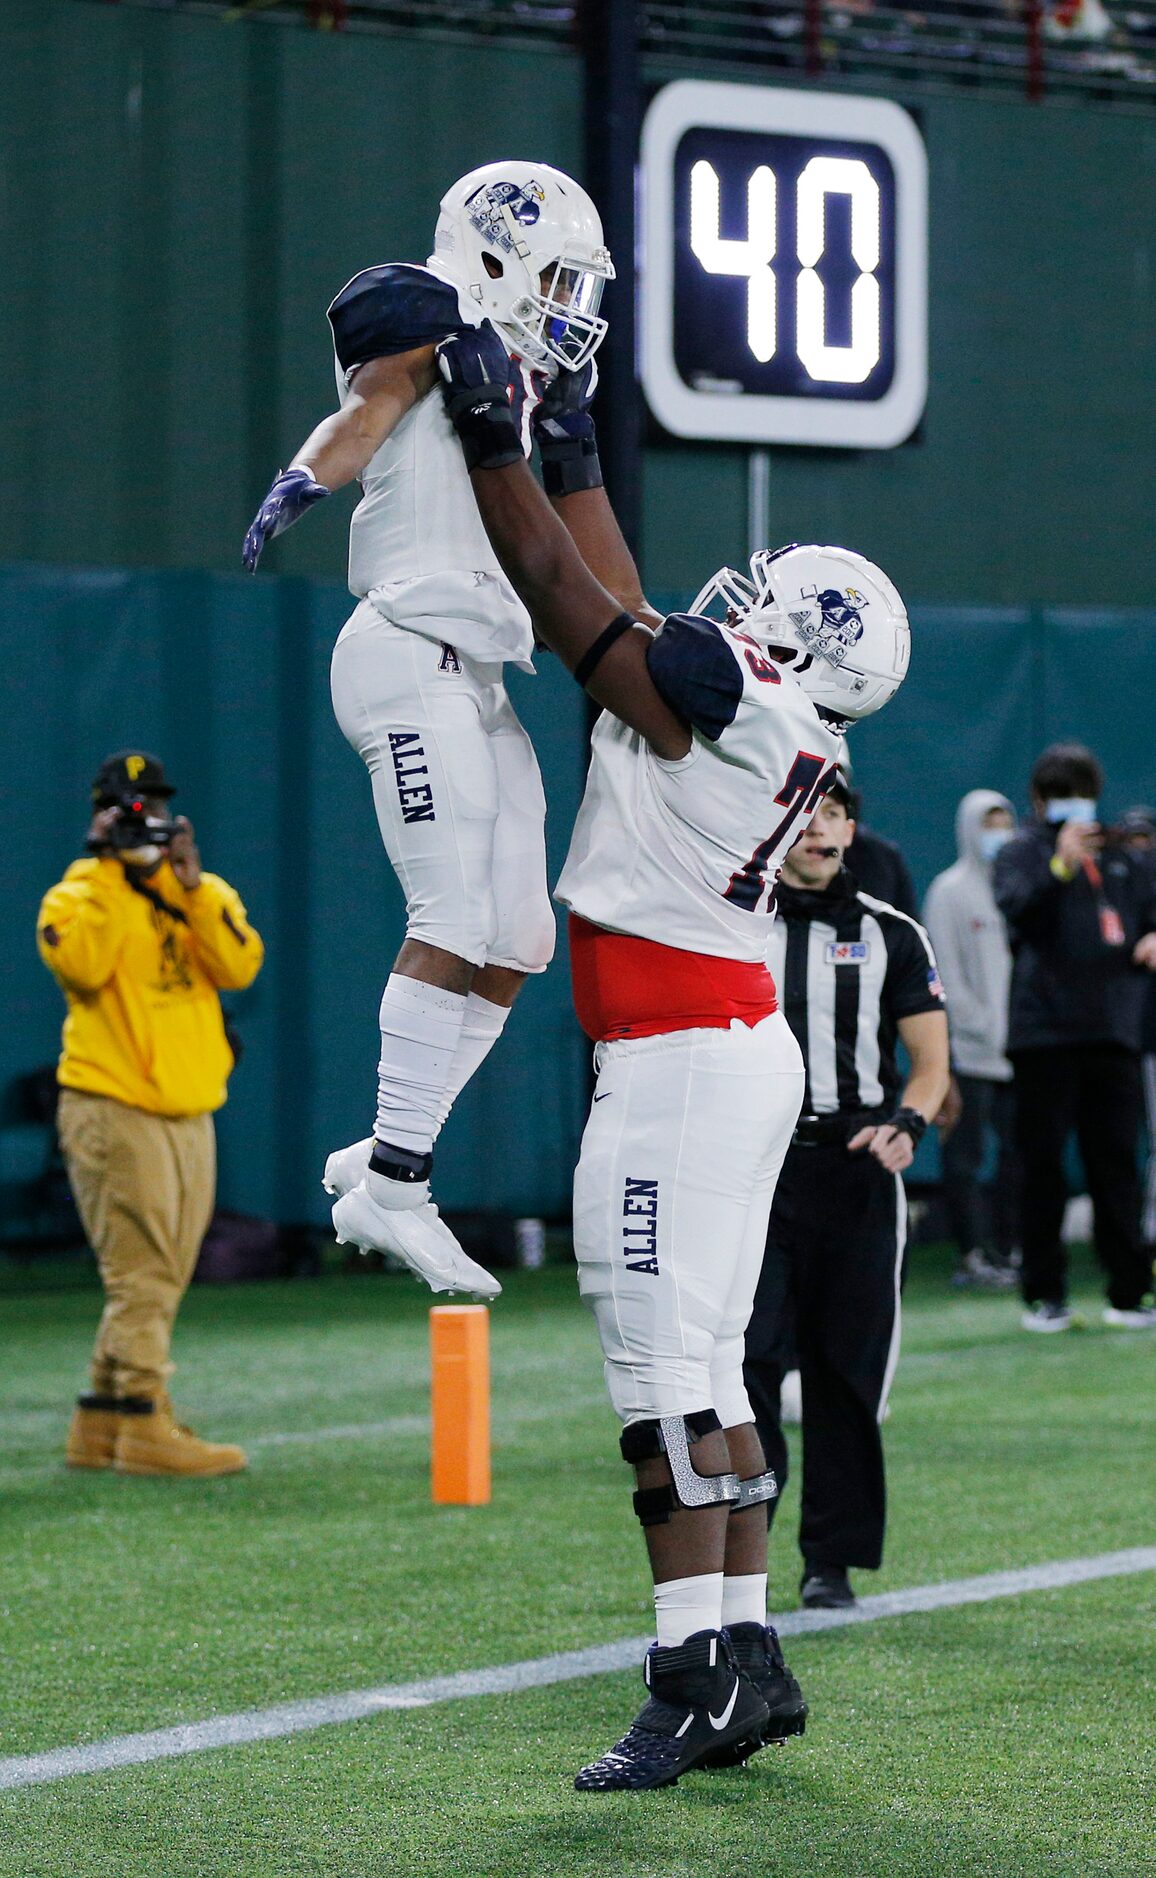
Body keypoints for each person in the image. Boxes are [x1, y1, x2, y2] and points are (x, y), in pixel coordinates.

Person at [435, 319, 911, 1789]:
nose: (738, 604)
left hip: (683, 1059)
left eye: (771, 601)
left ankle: (687, 1670)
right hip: (708, 1046)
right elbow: (627, 608)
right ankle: (746, 1653)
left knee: (663, 1372)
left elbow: (575, 605)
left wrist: (496, 438)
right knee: (707, 1368)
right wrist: (573, 438)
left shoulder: (739, 703)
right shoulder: (761, 707)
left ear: (801, 643)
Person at [243, 163, 652, 1299]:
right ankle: (400, 1181)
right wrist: (301, 477)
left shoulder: (539, 381)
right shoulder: (421, 305)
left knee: (521, 932)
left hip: (476, 671)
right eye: (559, 271)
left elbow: (596, 578)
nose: (573, 298)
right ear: (491, 250)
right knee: (454, 912)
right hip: (403, 644)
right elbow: (364, 413)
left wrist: (573, 452)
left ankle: (382, 1152)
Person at [742, 780, 949, 1612]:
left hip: (858, 1165)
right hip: (755, 1165)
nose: (819, 828)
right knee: (744, 1363)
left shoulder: (891, 932)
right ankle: (737, 1554)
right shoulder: (736, 923)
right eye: (805, 813)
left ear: (852, 829)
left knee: (845, 1369)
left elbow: (932, 1066)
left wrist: (909, 1122)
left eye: (833, 814)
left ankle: (831, 1560)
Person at [37, 752, 264, 1476]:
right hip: (114, 1103)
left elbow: (239, 966)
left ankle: (99, 1426)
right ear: (100, 815)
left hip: (190, 1105)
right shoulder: (74, 899)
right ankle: (144, 1422)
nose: (143, 819)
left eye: (153, 805)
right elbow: (83, 965)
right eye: (128, 807)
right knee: (143, 1272)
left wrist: (192, 887)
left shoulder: (199, 890)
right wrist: (106, 866)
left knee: (161, 1268)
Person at [993, 743, 1156, 1331]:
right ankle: (1044, 1294)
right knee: (1043, 1168)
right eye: (1060, 794)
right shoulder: (1020, 852)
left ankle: (1128, 1292)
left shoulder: (1126, 858)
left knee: (1117, 1165)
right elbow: (1017, 912)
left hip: (1114, 1030)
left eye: (1081, 791)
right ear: (1038, 801)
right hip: (1043, 1035)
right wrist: (1059, 866)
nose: (1072, 805)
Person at [923, 789, 1020, 1288]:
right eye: (989, 824)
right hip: (970, 1051)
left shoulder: (1019, 884)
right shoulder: (949, 891)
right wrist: (978, 1026)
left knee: (1016, 1155)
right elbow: (945, 973)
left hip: (1020, 1051)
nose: (998, 834)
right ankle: (971, 1253)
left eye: (1005, 822)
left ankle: (1007, 1249)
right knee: (966, 1156)